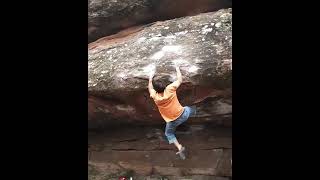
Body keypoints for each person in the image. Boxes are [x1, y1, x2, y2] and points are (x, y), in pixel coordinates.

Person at [148, 65, 196, 160]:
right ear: (165, 86)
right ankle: (197, 112)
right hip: (183, 113)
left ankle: (179, 147)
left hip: (172, 121)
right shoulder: (170, 89)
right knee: (191, 109)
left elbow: (150, 88)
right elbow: (179, 80)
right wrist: (177, 68)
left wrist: (150, 78)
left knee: (169, 134)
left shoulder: (155, 97)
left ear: (156, 89)